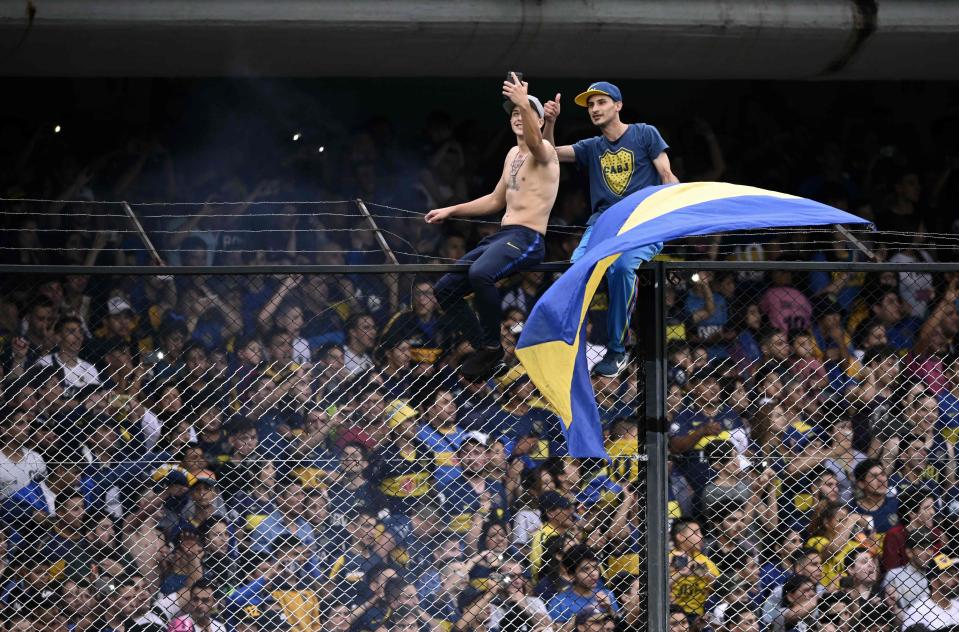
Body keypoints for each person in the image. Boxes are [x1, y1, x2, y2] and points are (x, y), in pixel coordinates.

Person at [426, 74, 559, 380]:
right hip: (503, 236)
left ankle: (489, 345)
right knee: (445, 289)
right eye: (512, 113)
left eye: (522, 113)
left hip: (527, 237)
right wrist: (451, 210)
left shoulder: (547, 154)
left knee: (481, 274)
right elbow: (495, 199)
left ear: (537, 122)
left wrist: (524, 101)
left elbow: (540, 143)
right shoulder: (512, 154)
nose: (516, 116)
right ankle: (490, 353)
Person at [542, 81, 678, 377]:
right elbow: (547, 153)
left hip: (642, 221)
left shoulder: (644, 132)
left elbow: (667, 174)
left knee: (622, 268)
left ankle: (617, 350)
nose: (594, 109)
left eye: (601, 102)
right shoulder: (591, 146)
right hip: (603, 223)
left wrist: (674, 215)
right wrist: (550, 122)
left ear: (618, 105)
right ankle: (566, 342)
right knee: (575, 271)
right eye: (590, 105)